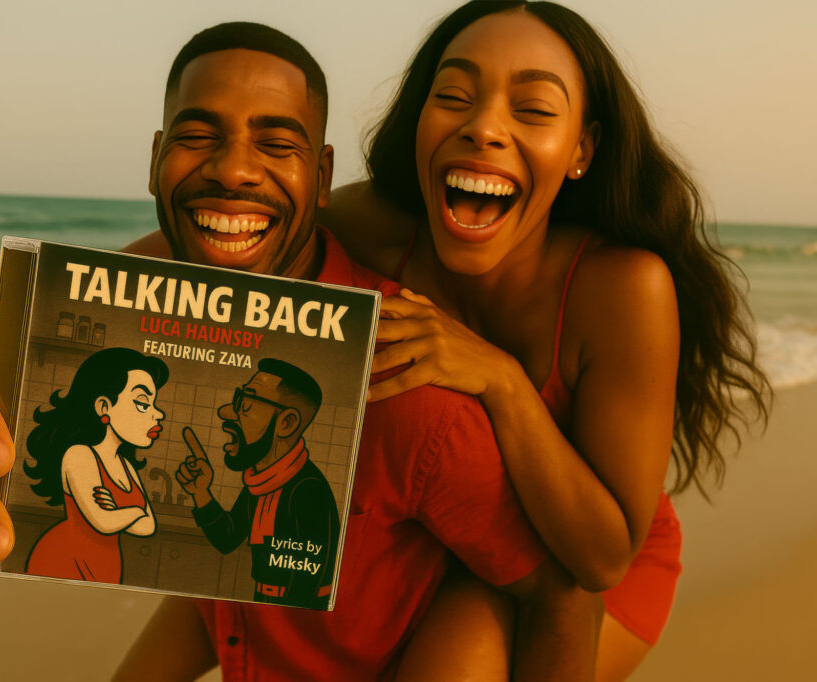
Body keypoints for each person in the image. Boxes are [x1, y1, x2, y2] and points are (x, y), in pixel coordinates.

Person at [0, 21, 603, 681]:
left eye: (276, 145)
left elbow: (565, 596)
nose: (234, 170)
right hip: (233, 626)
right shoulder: (140, 336)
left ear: (323, 178)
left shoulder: (406, 385)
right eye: (196, 136)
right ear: (155, 161)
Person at [315, 1, 771, 680]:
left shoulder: (624, 287)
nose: (483, 127)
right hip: (446, 532)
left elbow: (602, 557)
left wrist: (499, 380)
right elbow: (197, 258)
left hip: (593, 560)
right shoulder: (372, 228)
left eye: (531, 109)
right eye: (453, 96)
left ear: (581, 150)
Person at [177, 359, 339, 610]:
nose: (227, 412)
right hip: (263, 601)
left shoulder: (308, 489)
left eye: (246, 404)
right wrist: (201, 492)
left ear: (286, 423)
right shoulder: (261, 482)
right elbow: (228, 539)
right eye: (238, 398)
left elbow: (309, 577)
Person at [22, 347, 165, 583]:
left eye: (153, 403)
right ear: (103, 407)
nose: (158, 414)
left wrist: (119, 512)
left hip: (105, 564)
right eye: (143, 403)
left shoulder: (126, 465)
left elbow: (148, 526)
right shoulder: (79, 455)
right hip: (64, 561)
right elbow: (103, 522)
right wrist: (134, 512)